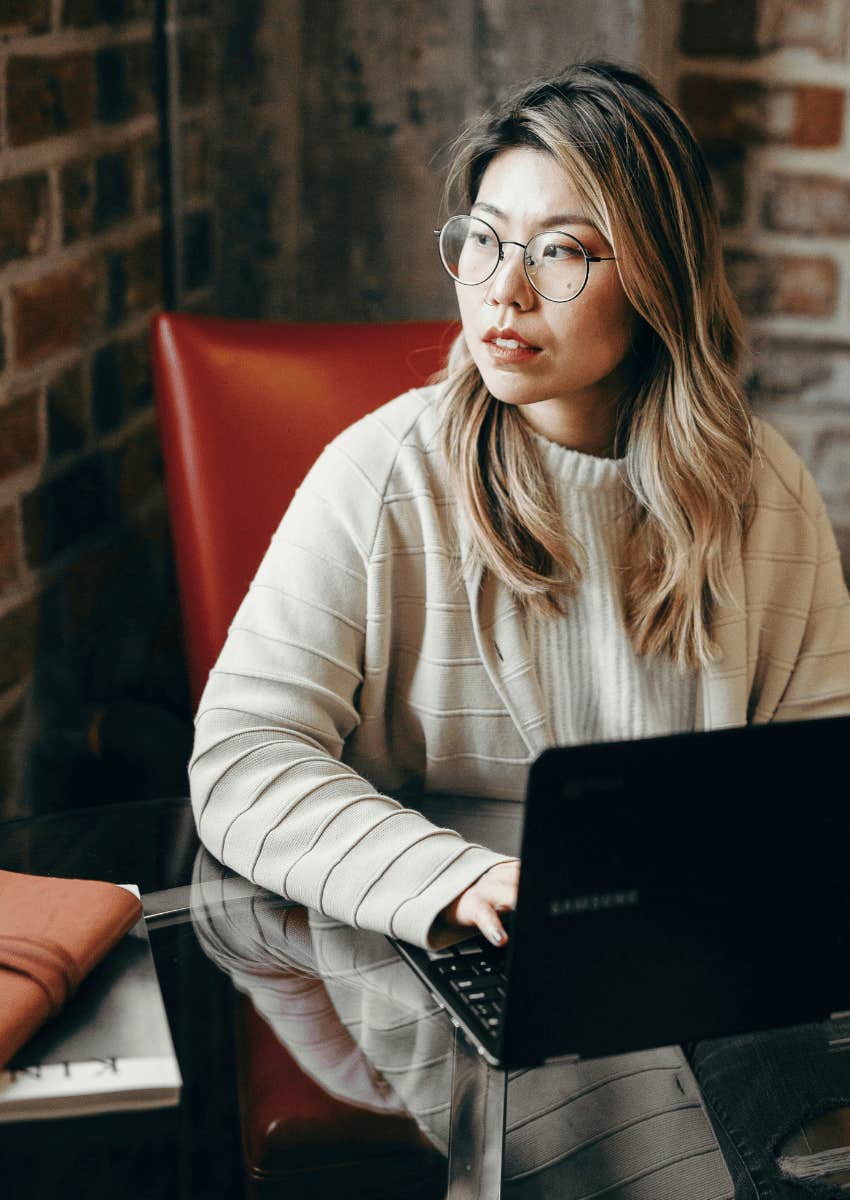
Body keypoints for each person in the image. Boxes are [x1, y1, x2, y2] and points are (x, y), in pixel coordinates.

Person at [189, 59, 850, 952]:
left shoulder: (764, 490)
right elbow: (240, 759)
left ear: (660, 277)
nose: (504, 288)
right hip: (434, 952)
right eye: (485, 239)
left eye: (563, 251)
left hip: (693, 958)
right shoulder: (383, 471)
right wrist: (451, 877)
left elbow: (818, 785)